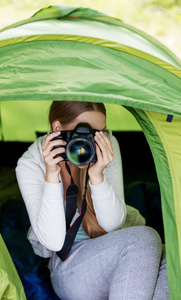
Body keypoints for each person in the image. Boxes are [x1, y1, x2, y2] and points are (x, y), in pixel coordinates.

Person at [16, 101, 169, 300]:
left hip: (110, 249)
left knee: (172, 259)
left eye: (100, 132)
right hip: (69, 267)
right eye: (84, 132)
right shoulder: (30, 164)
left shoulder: (105, 144)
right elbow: (53, 241)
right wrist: (52, 174)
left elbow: (112, 226)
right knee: (145, 238)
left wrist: (97, 176)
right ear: (57, 128)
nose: (91, 141)